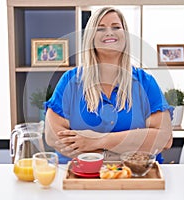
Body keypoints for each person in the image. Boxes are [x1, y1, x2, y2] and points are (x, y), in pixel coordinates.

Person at [44, 7, 173, 164]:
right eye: (100, 28)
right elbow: (53, 135)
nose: (109, 32)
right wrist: (121, 151)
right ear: (91, 37)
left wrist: (97, 140)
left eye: (116, 27)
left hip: (137, 174)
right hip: (81, 174)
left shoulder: (145, 82)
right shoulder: (71, 81)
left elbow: (164, 139)